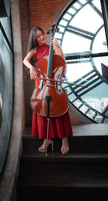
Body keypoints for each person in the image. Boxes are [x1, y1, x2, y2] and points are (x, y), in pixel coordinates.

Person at [23, 26, 73, 154]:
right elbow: (25, 60)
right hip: (41, 82)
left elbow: (62, 61)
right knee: (42, 108)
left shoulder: (53, 46)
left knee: (58, 107)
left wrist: (58, 47)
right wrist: (32, 68)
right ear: (35, 39)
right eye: (38, 36)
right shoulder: (35, 50)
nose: (42, 37)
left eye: (42, 34)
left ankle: (64, 139)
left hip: (53, 81)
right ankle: (46, 139)